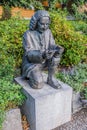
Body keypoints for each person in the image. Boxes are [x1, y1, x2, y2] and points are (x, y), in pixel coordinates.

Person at [22, 10, 64, 89]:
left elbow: (52, 45)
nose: (45, 26)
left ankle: (51, 79)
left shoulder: (48, 32)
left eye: (47, 24)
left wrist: (57, 48)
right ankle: (32, 76)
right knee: (38, 84)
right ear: (36, 22)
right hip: (32, 64)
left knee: (56, 56)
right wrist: (42, 54)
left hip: (46, 60)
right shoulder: (28, 34)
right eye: (42, 24)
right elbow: (29, 53)